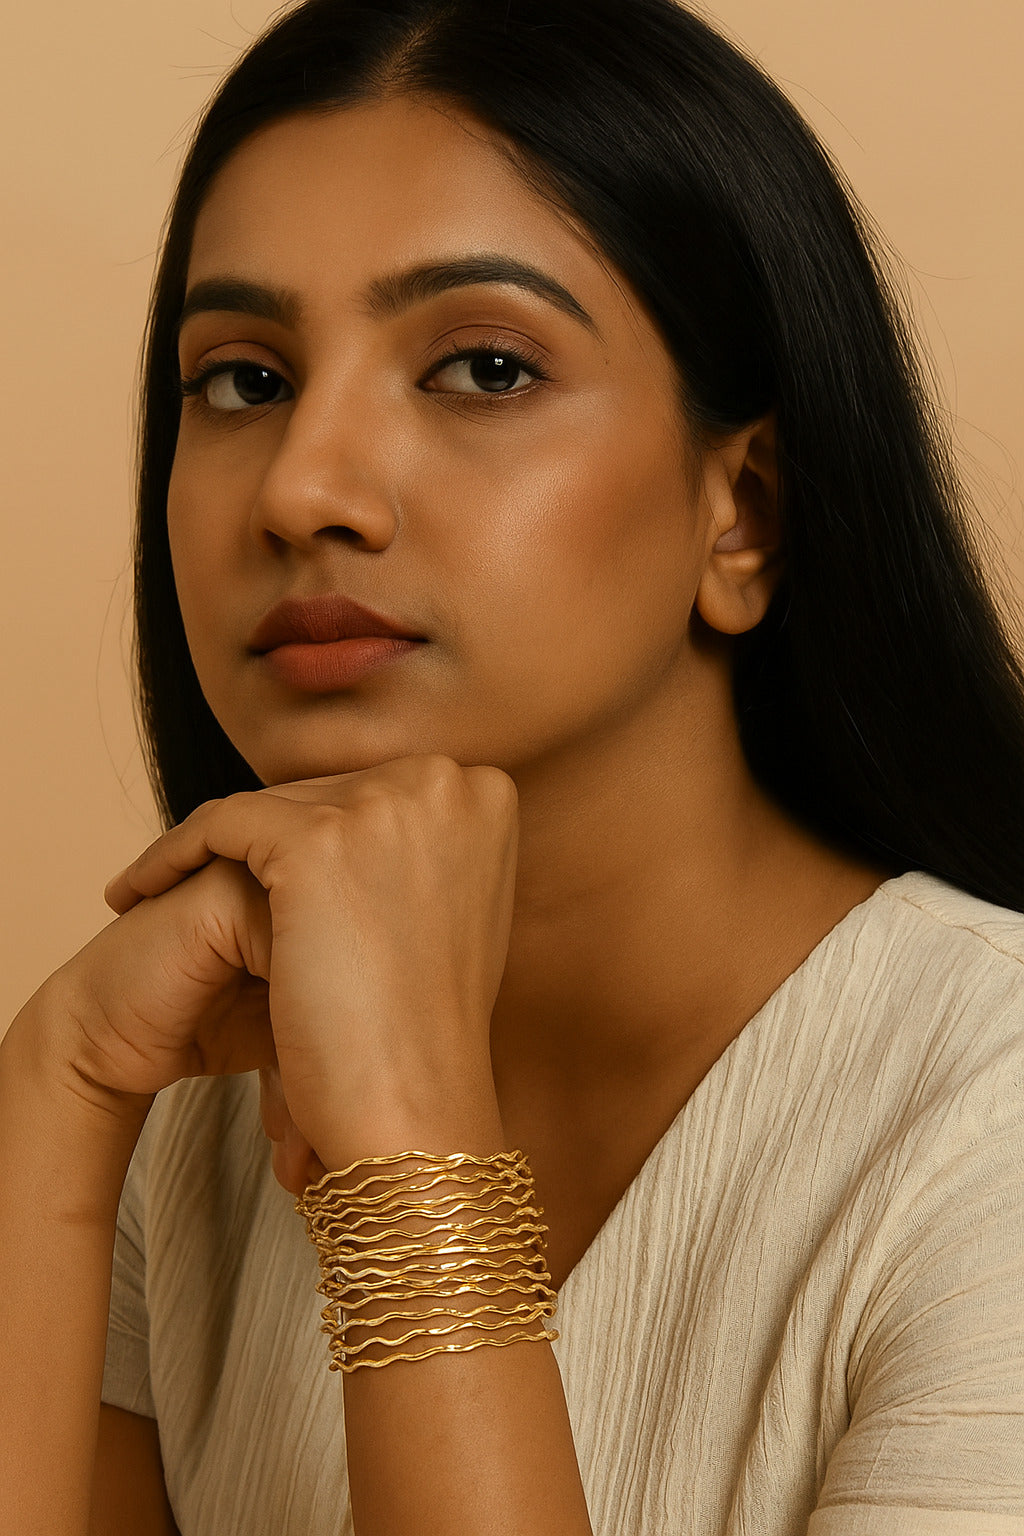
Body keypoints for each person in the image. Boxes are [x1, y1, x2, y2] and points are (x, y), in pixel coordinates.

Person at [1, 0, 1022, 1531]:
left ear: (739, 511)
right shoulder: (176, 1120)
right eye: (243, 379)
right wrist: (50, 1099)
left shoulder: (986, 1130)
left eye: (481, 367)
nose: (301, 487)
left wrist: (412, 1153)